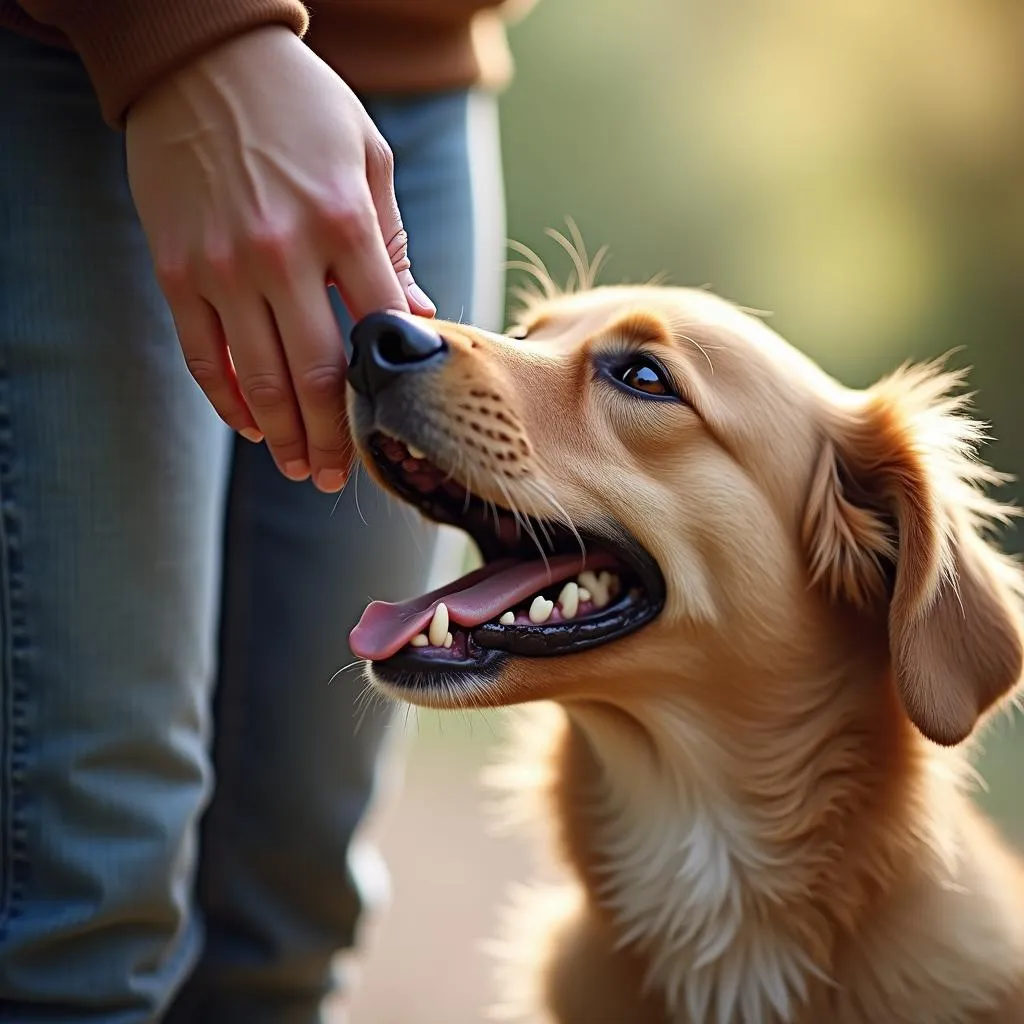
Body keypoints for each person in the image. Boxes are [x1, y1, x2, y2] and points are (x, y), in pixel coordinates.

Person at [0, 1, 533, 1020]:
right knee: (84, 922)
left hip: (415, 72)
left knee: (290, 922)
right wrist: (187, 31)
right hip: (81, 58)